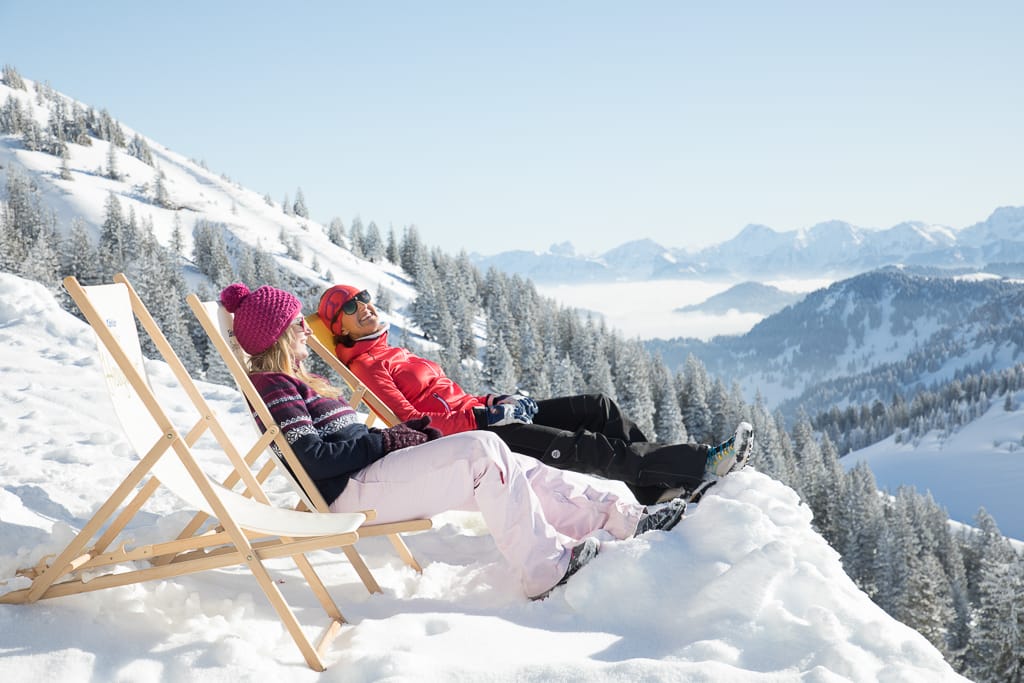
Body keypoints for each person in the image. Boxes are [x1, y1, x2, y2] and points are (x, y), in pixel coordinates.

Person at [220, 282, 693, 600]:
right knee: (484, 451)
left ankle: (622, 518)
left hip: (368, 476)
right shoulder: (275, 387)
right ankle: (544, 567)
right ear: (278, 335)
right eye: (297, 324)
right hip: (349, 491)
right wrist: (388, 442)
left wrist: (399, 438)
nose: (308, 329)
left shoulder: (296, 381)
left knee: (513, 462)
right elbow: (315, 459)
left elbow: (346, 442)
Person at [317, 284, 753, 506]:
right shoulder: (368, 366)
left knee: (597, 408)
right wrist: (487, 419)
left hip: (485, 417)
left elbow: (449, 397)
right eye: (350, 307)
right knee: (583, 446)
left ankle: (656, 493)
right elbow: (414, 424)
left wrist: (494, 401)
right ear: (340, 328)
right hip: (474, 439)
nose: (364, 306)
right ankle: (699, 463)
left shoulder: (391, 350)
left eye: (364, 298)